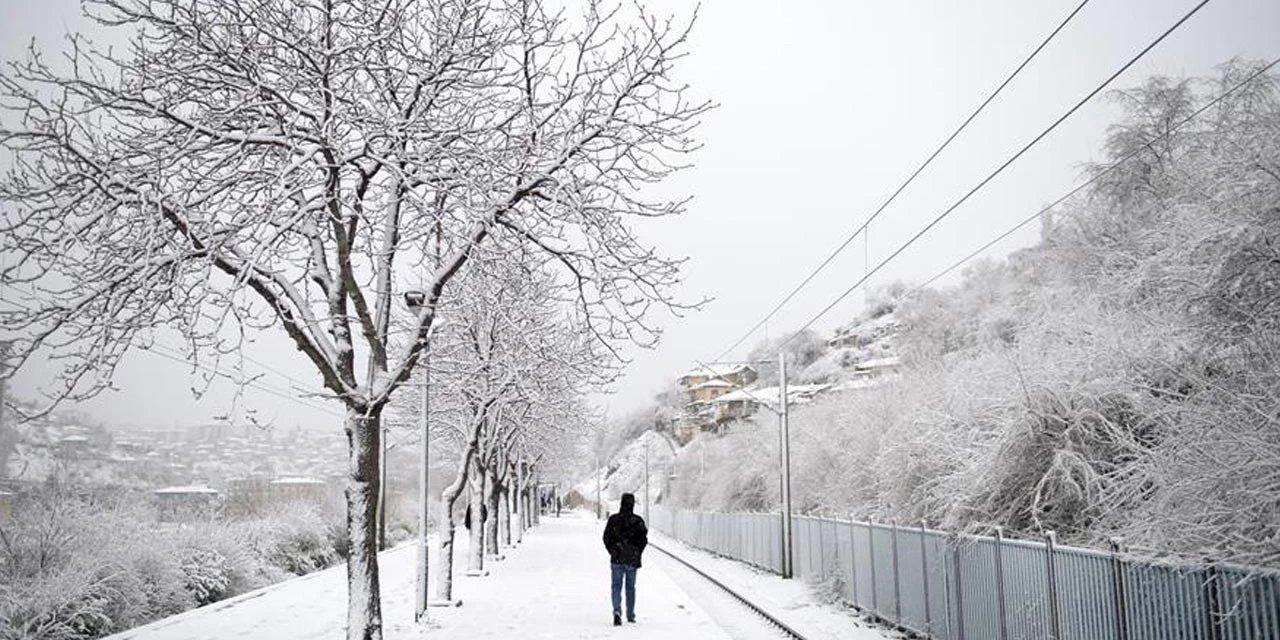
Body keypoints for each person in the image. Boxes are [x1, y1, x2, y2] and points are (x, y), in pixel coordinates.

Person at [601, 492, 647, 626]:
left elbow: (606, 537)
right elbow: (643, 540)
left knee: (616, 585)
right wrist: (636, 552)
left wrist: (613, 551)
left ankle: (616, 610)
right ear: (632, 505)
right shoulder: (638, 521)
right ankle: (630, 614)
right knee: (630, 587)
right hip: (632, 559)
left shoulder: (614, 520)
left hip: (617, 559)